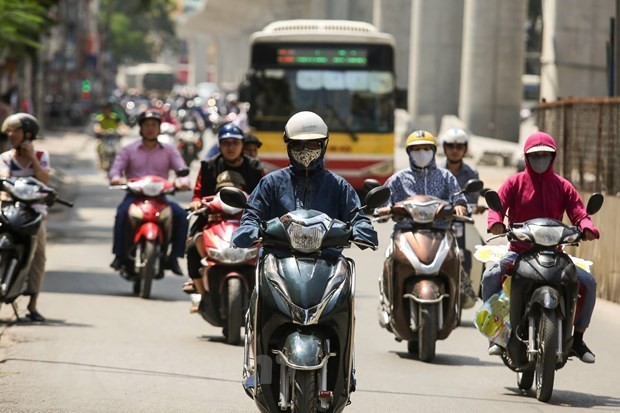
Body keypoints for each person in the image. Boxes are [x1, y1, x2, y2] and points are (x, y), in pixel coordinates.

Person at [482, 131, 599, 363]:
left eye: (545, 155)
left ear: (553, 157)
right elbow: (497, 207)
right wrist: (495, 222)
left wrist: (586, 226)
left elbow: (578, 211)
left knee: (588, 283)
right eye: (535, 156)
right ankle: (497, 334)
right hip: (519, 252)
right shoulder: (514, 182)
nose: (540, 160)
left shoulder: (563, 186)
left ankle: (578, 338)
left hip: (555, 253)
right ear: (526, 157)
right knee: (490, 276)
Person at [232, 110, 377, 252]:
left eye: (313, 145)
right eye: (298, 145)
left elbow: (357, 218)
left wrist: (360, 230)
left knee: (346, 269)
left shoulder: (339, 186)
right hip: (279, 258)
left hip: (328, 260)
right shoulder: (271, 183)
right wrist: (250, 230)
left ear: (324, 146)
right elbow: (252, 216)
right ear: (289, 147)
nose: (305, 151)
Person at [374, 130, 477, 308]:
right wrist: (382, 209)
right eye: (416, 149)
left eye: (426, 148)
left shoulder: (445, 176)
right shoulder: (398, 178)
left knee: (457, 258)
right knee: (390, 259)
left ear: (433, 151)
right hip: (406, 233)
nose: (421, 153)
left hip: (440, 232)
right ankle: (388, 300)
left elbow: (457, 196)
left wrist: (460, 205)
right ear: (408, 153)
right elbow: (384, 201)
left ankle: (458, 299)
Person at [108, 109, 190, 276]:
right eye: (146, 125)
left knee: (182, 215)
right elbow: (115, 171)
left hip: (160, 197)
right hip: (134, 196)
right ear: (140, 128)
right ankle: (119, 255)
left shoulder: (169, 150)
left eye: (154, 125)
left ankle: (174, 257)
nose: (150, 128)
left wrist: (182, 183)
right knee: (121, 213)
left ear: (160, 128)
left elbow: (182, 170)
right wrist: (117, 179)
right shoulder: (128, 150)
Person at [185, 123, 264, 287]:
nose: (231, 147)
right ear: (219, 145)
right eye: (226, 143)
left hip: (247, 219)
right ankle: (198, 286)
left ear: (242, 145)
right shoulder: (208, 166)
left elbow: (263, 194)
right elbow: (198, 193)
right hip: (213, 216)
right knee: (192, 245)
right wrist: (196, 202)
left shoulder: (255, 167)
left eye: (235, 143)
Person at [0, 113, 50, 321]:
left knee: (39, 257)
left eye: (16, 131)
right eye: (9, 131)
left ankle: (32, 304)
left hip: (35, 212)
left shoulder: (41, 156)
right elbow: (3, 179)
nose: (11, 135)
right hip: (8, 209)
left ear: (28, 134)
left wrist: (31, 160)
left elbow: (45, 179)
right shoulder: (5, 158)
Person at [183, 170, 247, 310]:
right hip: (216, 234)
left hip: (246, 236)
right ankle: (201, 294)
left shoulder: (251, 203)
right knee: (192, 246)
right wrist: (197, 205)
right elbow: (197, 199)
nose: (229, 193)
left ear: (241, 189)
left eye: (234, 188)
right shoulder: (212, 205)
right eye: (224, 189)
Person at [440, 128, 480, 205]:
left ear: (465, 149)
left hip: (463, 216)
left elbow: (473, 200)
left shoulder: (472, 173)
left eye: (459, 147)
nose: (455, 150)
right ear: (445, 148)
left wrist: (458, 203)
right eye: (450, 146)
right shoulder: (436, 170)